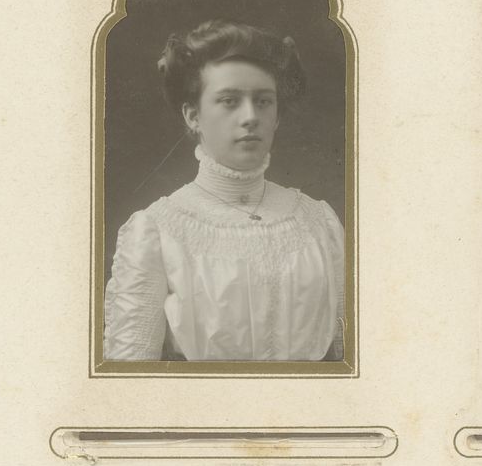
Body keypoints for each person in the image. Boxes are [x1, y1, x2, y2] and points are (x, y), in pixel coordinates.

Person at [104, 19, 344, 361]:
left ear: (277, 116)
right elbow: (131, 373)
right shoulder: (157, 231)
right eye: (230, 101)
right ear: (193, 116)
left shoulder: (319, 223)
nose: (250, 117)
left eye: (263, 101)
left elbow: (354, 361)